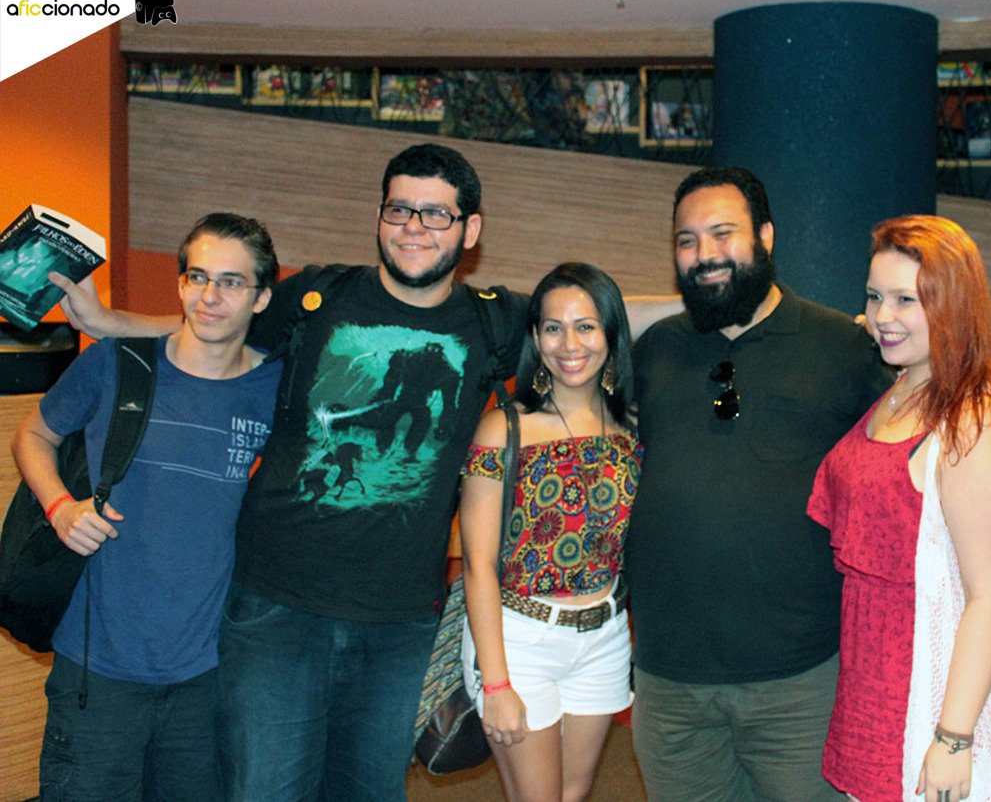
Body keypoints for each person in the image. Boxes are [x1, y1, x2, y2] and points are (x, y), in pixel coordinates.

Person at [50, 142, 677, 799]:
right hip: (276, 610)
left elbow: (605, 316)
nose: (414, 227)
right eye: (400, 209)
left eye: (436, 214)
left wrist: (705, 302)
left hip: (399, 623)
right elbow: (212, 328)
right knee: (266, 790)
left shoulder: (492, 319)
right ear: (379, 216)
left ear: (470, 230)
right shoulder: (318, 295)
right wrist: (108, 321)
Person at [625, 166, 893, 801]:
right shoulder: (653, 351)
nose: (704, 254)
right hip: (669, 683)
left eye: (723, 234)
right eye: (687, 240)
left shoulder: (843, 347)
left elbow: (921, 442)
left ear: (766, 237)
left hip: (800, 682)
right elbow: (575, 319)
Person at [10, 213, 282, 800]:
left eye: (231, 282)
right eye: (197, 277)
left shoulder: (274, 389)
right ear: (180, 284)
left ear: (262, 298)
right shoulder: (116, 363)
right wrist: (60, 507)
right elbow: (32, 434)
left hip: (206, 676)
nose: (209, 296)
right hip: (97, 669)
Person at [808, 215, 991, 802]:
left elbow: (989, 596)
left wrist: (953, 738)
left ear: (952, 306)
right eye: (874, 296)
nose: (882, 316)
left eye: (907, 299)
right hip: (871, 681)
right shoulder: (901, 388)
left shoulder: (973, 422)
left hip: (933, 684)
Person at [459, 262, 641, 802]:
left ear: (610, 335)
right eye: (553, 328)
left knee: (573, 793)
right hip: (519, 638)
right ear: (536, 339)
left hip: (604, 636)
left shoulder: (632, 428)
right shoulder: (504, 427)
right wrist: (496, 682)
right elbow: (477, 565)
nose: (570, 344)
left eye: (586, 326)